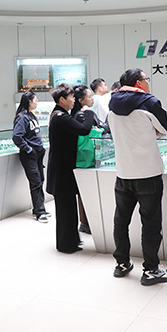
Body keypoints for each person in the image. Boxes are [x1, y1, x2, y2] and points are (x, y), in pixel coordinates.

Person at [108, 68, 167, 286]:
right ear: (138, 83)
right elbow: (163, 129)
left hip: (123, 172)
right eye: (146, 79)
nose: (148, 83)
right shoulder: (150, 102)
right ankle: (151, 270)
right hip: (148, 173)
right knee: (151, 223)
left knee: (121, 220)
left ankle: (122, 263)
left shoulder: (112, 104)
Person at [46, 83, 94, 253]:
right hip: (61, 171)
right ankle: (66, 245)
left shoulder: (59, 115)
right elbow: (84, 129)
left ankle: (71, 241)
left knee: (68, 207)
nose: (74, 100)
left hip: (63, 169)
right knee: (65, 209)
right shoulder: (61, 117)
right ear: (62, 99)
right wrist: (89, 113)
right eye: (71, 97)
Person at [71, 84, 107, 235]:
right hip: (86, 158)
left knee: (83, 191)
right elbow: (98, 129)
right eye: (89, 97)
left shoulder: (80, 114)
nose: (92, 99)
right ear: (81, 100)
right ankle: (85, 222)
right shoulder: (83, 115)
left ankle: (86, 222)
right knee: (84, 191)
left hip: (85, 157)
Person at [13, 90, 50, 223]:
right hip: (30, 155)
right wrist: (28, 149)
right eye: (35, 99)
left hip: (38, 153)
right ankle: (40, 212)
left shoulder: (31, 115)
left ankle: (39, 208)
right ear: (29, 101)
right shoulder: (22, 117)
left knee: (40, 180)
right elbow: (17, 136)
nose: (37, 102)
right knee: (35, 182)